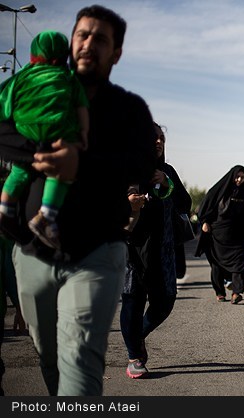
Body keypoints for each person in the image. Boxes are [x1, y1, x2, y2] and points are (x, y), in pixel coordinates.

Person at [0, 5, 156, 395]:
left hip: (97, 253)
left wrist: (79, 163)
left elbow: (140, 162)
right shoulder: (36, 85)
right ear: (71, 41)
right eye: (82, 35)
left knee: (80, 362)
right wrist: (39, 150)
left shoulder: (130, 109)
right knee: (50, 359)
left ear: (116, 53)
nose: (88, 44)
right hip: (32, 253)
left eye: (100, 38)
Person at [0, 30, 89, 251]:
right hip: (57, 136)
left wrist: (31, 151)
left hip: (26, 132)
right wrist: (82, 134)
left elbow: (4, 104)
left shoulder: (20, 78)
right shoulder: (69, 79)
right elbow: (82, 109)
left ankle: (4, 210)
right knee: (59, 172)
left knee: (18, 173)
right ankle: (46, 216)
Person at [120, 122, 191, 379]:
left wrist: (167, 182)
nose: (158, 142)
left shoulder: (167, 170)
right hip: (131, 250)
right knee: (133, 301)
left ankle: (136, 337)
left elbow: (186, 203)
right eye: (152, 138)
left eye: (161, 138)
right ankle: (133, 356)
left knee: (164, 302)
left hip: (162, 251)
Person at [195, 165, 244, 304]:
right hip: (217, 236)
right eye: (237, 177)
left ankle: (237, 292)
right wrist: (205, 222)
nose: (240, 180)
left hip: (239, 237)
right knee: (216, 265)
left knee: (240, 264)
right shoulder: (218, 191)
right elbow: (205, 207)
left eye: (242, 177)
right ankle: (220, 292)